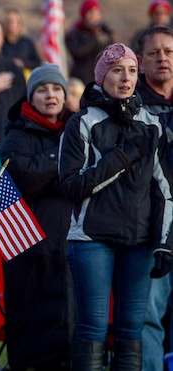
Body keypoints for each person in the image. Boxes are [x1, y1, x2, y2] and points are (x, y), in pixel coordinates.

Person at [59, 43, 173, 369]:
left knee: (131, 331)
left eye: (133, 70)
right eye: (117, 70)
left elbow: (165, 191)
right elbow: (71, 186)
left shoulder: (152, 125)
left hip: (139, 243)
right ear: (101, 75)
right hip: (91, 239)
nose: (126, 78)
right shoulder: (82, 122)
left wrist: (165, 245)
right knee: (93, 328)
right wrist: (122, 157)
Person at [0, 63, 74, 370]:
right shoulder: (17, 132)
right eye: (42, 89)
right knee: (31, 310)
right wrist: (60, 160)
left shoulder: (79, 127)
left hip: (71, 235)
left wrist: (53, 172)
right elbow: (26, 176)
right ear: (32, 96)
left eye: (56, 88)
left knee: (68, 308)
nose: (50, 95)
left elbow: (81, 177)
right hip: (29, 242)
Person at [135, 25, 173, 371]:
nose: (163, 58)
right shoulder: (130, 109)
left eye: (169, 52)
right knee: (149, 320)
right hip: (150, 232)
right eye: (154, 53)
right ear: (141, 63)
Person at [65, 0, 114, 84]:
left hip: (102, 79)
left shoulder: (105, 32)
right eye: (91, 13)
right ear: (84, 15)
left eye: (97, 13)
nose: (94, 16)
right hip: (82, 79)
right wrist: (94, 38)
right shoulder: (75, 34)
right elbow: (78, 52)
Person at [1, 7, 41, 72]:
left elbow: (37, 62)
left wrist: (23, 64)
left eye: (13, 22)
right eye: (8, 21)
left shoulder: (27, 43)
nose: (11, 25)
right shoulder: (0, 42)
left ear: (20, 23)